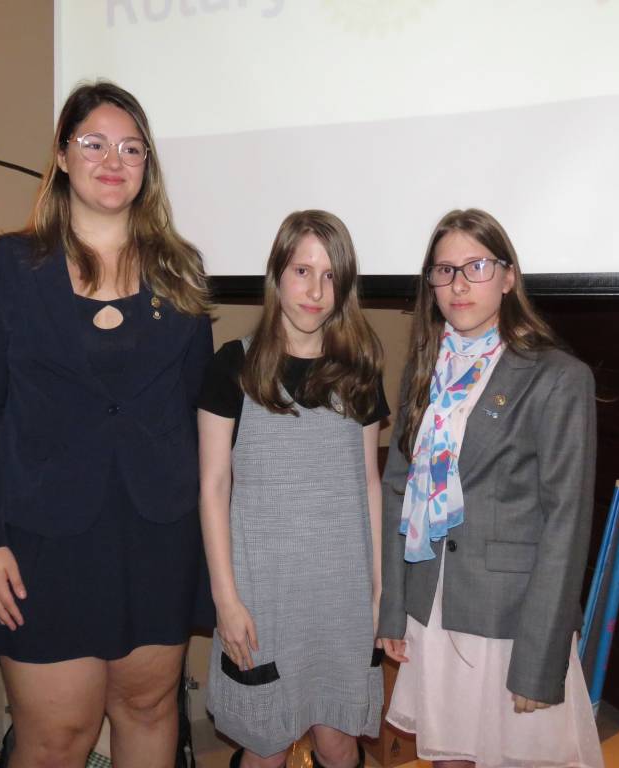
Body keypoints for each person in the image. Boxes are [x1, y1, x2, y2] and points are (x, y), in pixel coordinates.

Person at [0, 81, 213, 768]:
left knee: (149, 711)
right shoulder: (7, 267)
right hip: (43, 542)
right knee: (56, 737)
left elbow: (194, 411)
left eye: (131, 148)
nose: (113, 161)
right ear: (62, 156)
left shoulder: (180, 271)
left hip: (157, 534)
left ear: (147, 165)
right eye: (94, 144)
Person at [377, 209, 604, 768]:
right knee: (447, 756)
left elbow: (567, 524)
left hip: (511, 620)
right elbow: (397, 491)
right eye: (445, 270)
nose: (459, 284)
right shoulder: (426, 371)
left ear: (507, 277)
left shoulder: (557, 377)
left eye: (476, 267)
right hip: (433, 608)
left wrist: (540, 660)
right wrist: (394, 611)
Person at [198, 211, 387, 768]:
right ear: (276, 273)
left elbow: (369, 484)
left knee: (337, 741)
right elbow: (212, 486)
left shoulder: (359, 371)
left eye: (330, 276)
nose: (316, 291)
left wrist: (379, 589)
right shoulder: (233, 365)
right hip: (263, 595)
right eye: (302, 271)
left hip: (342, 594)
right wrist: (226, 599)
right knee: (267, 746)